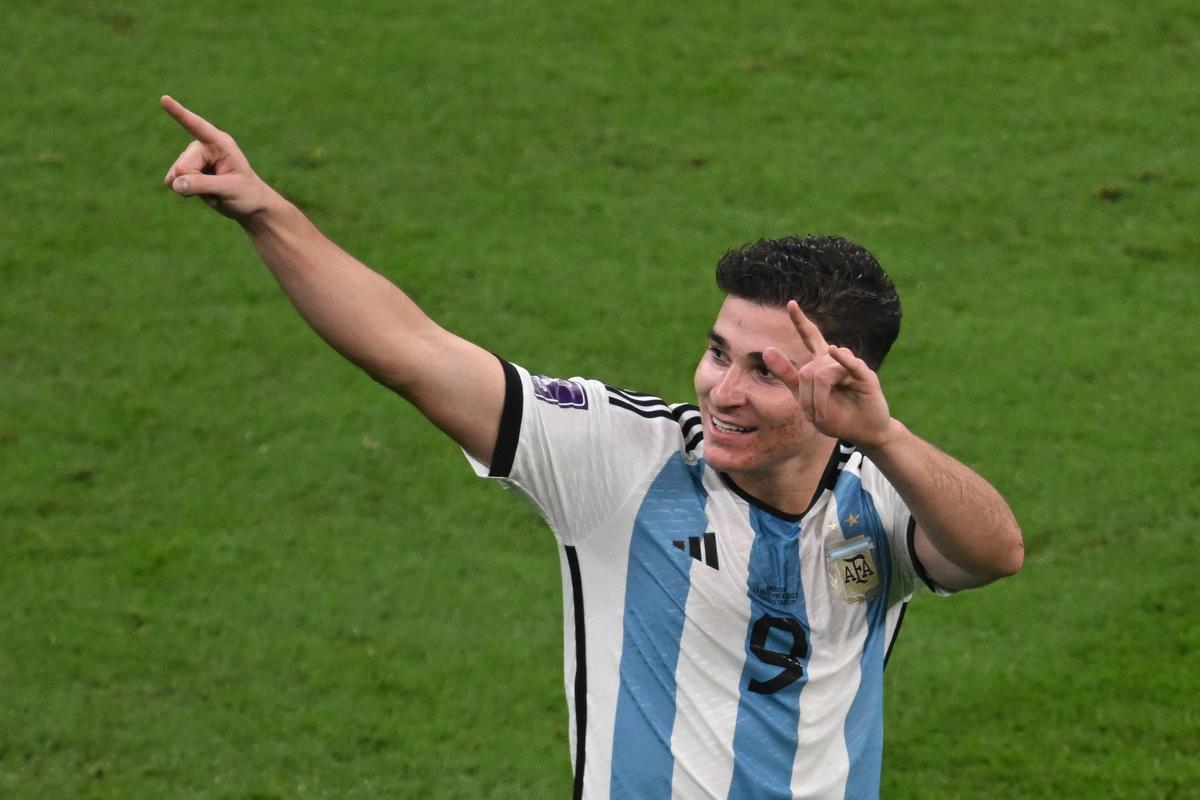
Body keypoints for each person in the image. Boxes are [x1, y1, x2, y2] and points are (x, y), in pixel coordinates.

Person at [160, 95, 1023, 800]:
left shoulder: (880, 494)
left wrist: (887, 437)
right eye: (719, 351)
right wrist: (265, 210)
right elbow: (411, 350)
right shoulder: (621, 459)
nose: (721, 389)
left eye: (765, 371)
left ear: (841, 383)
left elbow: (996, 552)